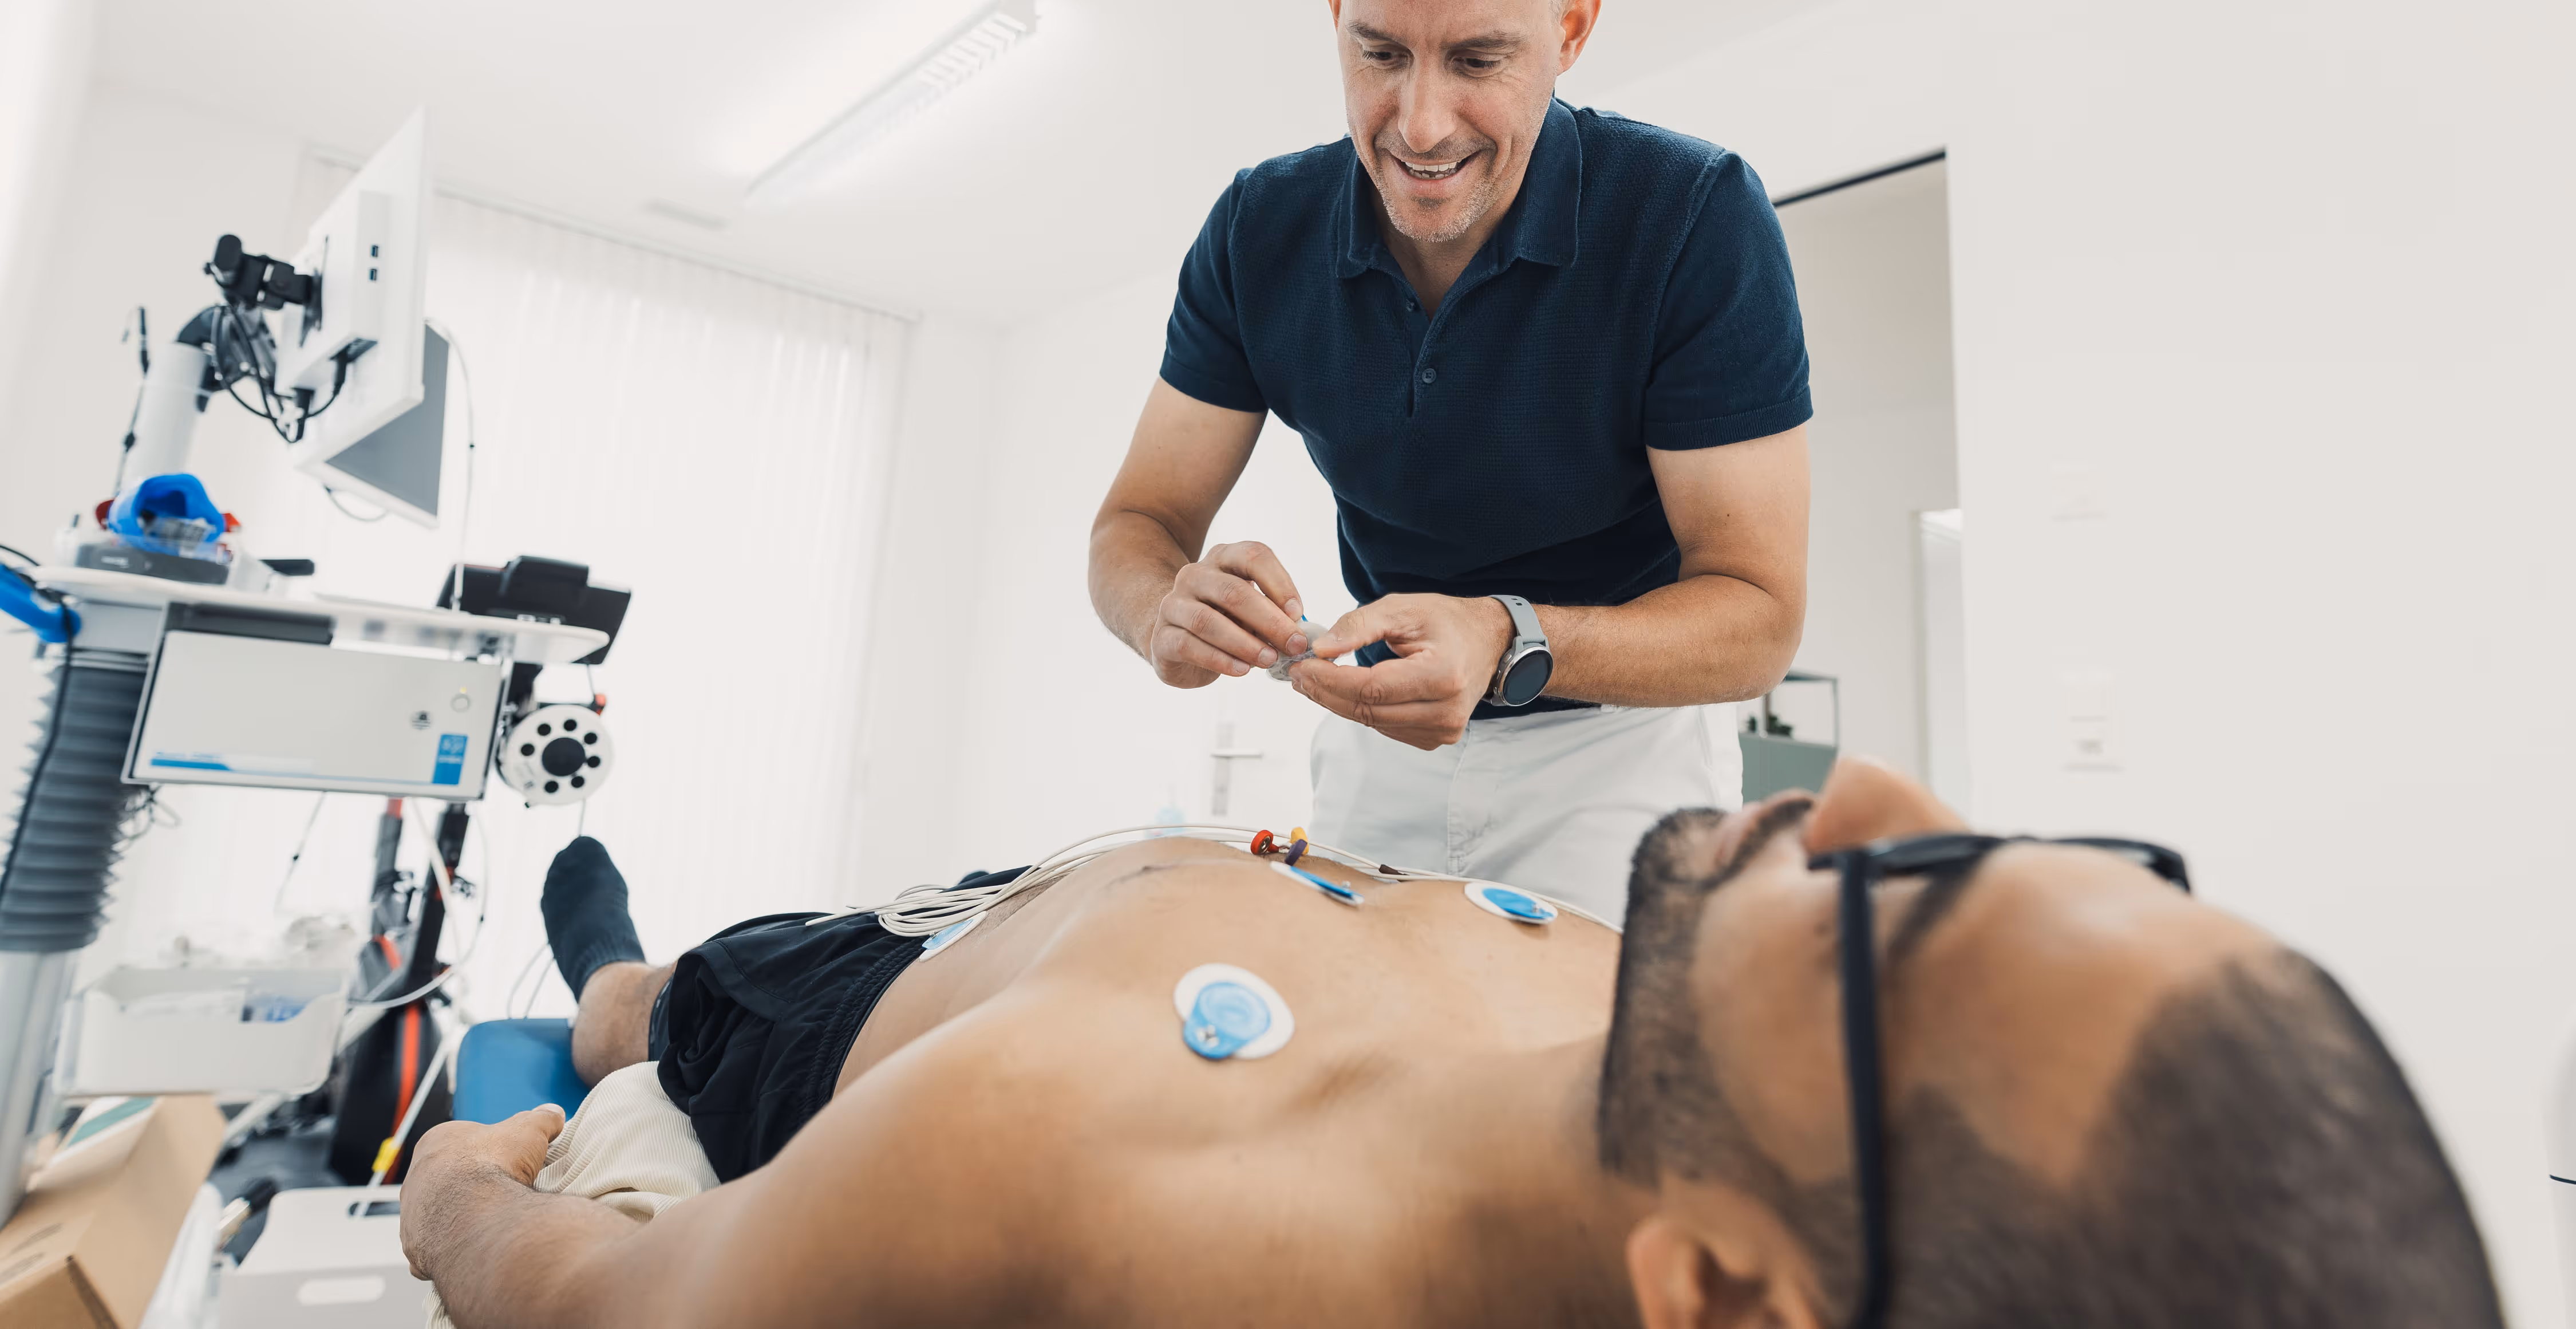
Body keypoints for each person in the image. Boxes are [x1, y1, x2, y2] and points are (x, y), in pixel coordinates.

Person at [404, 762, 2502, 1327]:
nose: (1870, 797)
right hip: (1188, 877)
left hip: (877, 992)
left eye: (1902, 930)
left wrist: (464, 1181)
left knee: (649, 998)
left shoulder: (1053, 1162)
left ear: (1731, 1299)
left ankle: (608, 964)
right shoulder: (1698, 1094)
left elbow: (589, 1296)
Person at [1089, 0, 1812, 920]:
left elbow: (1758, 617)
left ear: (1570, 28)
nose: (1421, 126)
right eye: (1380, 52)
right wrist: (1162, 612)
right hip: (1381, 749)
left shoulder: (1693, 217)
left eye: (1479, 59)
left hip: (1621, 762)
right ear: (1336, 8)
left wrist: (1508, 636)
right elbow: (1136, 523)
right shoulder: (1256, 230)